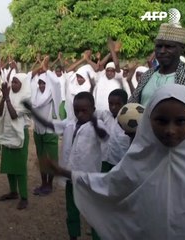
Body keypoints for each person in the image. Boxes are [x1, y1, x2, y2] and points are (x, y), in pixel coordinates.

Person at [49, 84, 185, 239]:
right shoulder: (139, 159)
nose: (170, 130)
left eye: (180, 121)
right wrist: (64, 172)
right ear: (148, 121)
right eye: (161, 121)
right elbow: (109, 184)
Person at [24, 91, 108, 240]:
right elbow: (49, 124)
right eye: (77, 110)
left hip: (89, 179)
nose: (80, 114)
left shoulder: (98, 125)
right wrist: (32, 111)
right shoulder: (69, 123)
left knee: (94, 213)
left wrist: (94, 122)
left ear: (93, 110)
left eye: (84, 111)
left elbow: (104, 136)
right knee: (72, 210)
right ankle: (73, 235)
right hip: (70, 178)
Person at [0, 72, 31, 209]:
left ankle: (24, 196)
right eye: (12, 82)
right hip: (8, 133)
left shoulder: (26, 98)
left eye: (16, 82)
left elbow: (14, 115)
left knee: (20, 167)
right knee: (9, 166)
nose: (13, 85)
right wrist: (3, 99)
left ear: (23, 84)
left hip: (20, 135)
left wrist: (7, 98)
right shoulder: (8, 95)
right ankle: (13, 192)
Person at [129, 22, 185, 105]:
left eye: (169, 46)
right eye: (159, 46)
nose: (162, 51)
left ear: (182, 49)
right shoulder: (147, 76)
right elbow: (132, 106)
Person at [29, 58, 62, 196]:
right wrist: (39, 68)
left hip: (49, 131)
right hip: (38, 130)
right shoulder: (35, 94)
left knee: (52, 158)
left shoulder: (53, 94)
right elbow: (29, 82)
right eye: (40, 83)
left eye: (44, 83)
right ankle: (43, 183)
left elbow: (55, 82)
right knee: (41, 158)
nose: (42, 85)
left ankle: (49, 184)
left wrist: (46, 69)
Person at [96, 89, 130, 172]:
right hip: (104, 159)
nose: (113, 107)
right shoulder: (105, 115)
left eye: (118, 104)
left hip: (120, 162)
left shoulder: (129, 121)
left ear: (125, 104)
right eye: (110, 104)